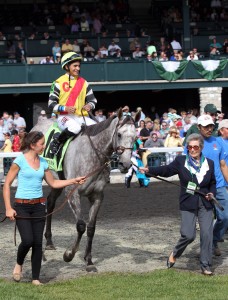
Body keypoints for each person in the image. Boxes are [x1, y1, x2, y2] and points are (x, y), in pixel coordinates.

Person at [3, 131, 86, 285]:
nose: (44, 146)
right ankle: (19, 264)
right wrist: (8, 208)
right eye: (42, 144)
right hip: (21, 206)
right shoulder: (19, 161)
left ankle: (36, 278)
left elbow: (53, 183)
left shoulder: (43, 162)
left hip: (39, 206)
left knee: (37, 243)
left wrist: (73, 180)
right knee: (27, 240)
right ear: (33, 145)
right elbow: (6, 184)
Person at [140, 133, 216, 275]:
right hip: (188, 202)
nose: (192, 149)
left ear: (201, 148)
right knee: (188, 235)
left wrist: (212, 194)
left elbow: (212, 183)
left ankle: (205, 264)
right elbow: (167, 170)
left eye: (195, 147)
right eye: (190, 147)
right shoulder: (181, 161)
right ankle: (175, 253)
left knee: (207, 234)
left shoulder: (209, 163)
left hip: (206, 203)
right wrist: (150, 170)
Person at [48, 52, 97, 155]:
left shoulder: (84, 82)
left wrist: (89, 105)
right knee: (75, 128)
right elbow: (51, 104)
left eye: (79, 66)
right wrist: (65, 108)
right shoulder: (58, 82)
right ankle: (56, 142)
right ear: (66, 66)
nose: (78, 68)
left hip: (81, 117)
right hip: (64, 117)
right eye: (75, 66)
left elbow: (93, 100)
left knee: (97, 128)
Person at [196, 115, 228, 256]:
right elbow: (187, 166)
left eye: (211, 126)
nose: (209, 129)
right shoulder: (194, 143)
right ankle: (206, 248)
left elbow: (223, 165)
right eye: (206, 126)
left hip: (219, 186)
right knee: (206, 220)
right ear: (199, 127)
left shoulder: (218, 142)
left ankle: (214, 241)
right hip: (202, 188)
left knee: (225, 216)